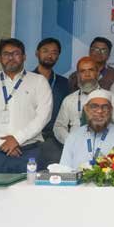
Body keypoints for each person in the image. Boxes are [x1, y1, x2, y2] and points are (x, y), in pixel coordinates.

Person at [0, 38, 53, 173]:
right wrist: (2, 142)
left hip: (29, 152)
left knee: (29, 188)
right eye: (6, 54)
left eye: (16, 53)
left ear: (24, 57)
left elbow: (44, 116)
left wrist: (17, 139)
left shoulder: (39, 81)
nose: (11, 58)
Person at [54, 57, 114, 145]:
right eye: (82, 71)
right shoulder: (69, 99)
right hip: (76, 146)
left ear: (98, 73)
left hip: (104, 146)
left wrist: (109, 143)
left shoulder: (111, 97)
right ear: (78, 75)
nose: (87, 74)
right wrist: (71, 142)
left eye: (91, 70)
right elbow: (59, 126)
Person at [59, 90, 114, 169]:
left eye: (105, 107)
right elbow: (64, 170)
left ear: (111, 110)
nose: (99, 111)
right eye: (94, 106)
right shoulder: (73, 136)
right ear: (86, 109)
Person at [33, 38, 69, 169]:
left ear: (58, 56)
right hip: (29, 140)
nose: (49, 55)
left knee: (54, 177)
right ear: (37, 53)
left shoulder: (64, 83)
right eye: (45, 51)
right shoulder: (25, 80)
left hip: (54, 141)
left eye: (54, 52)